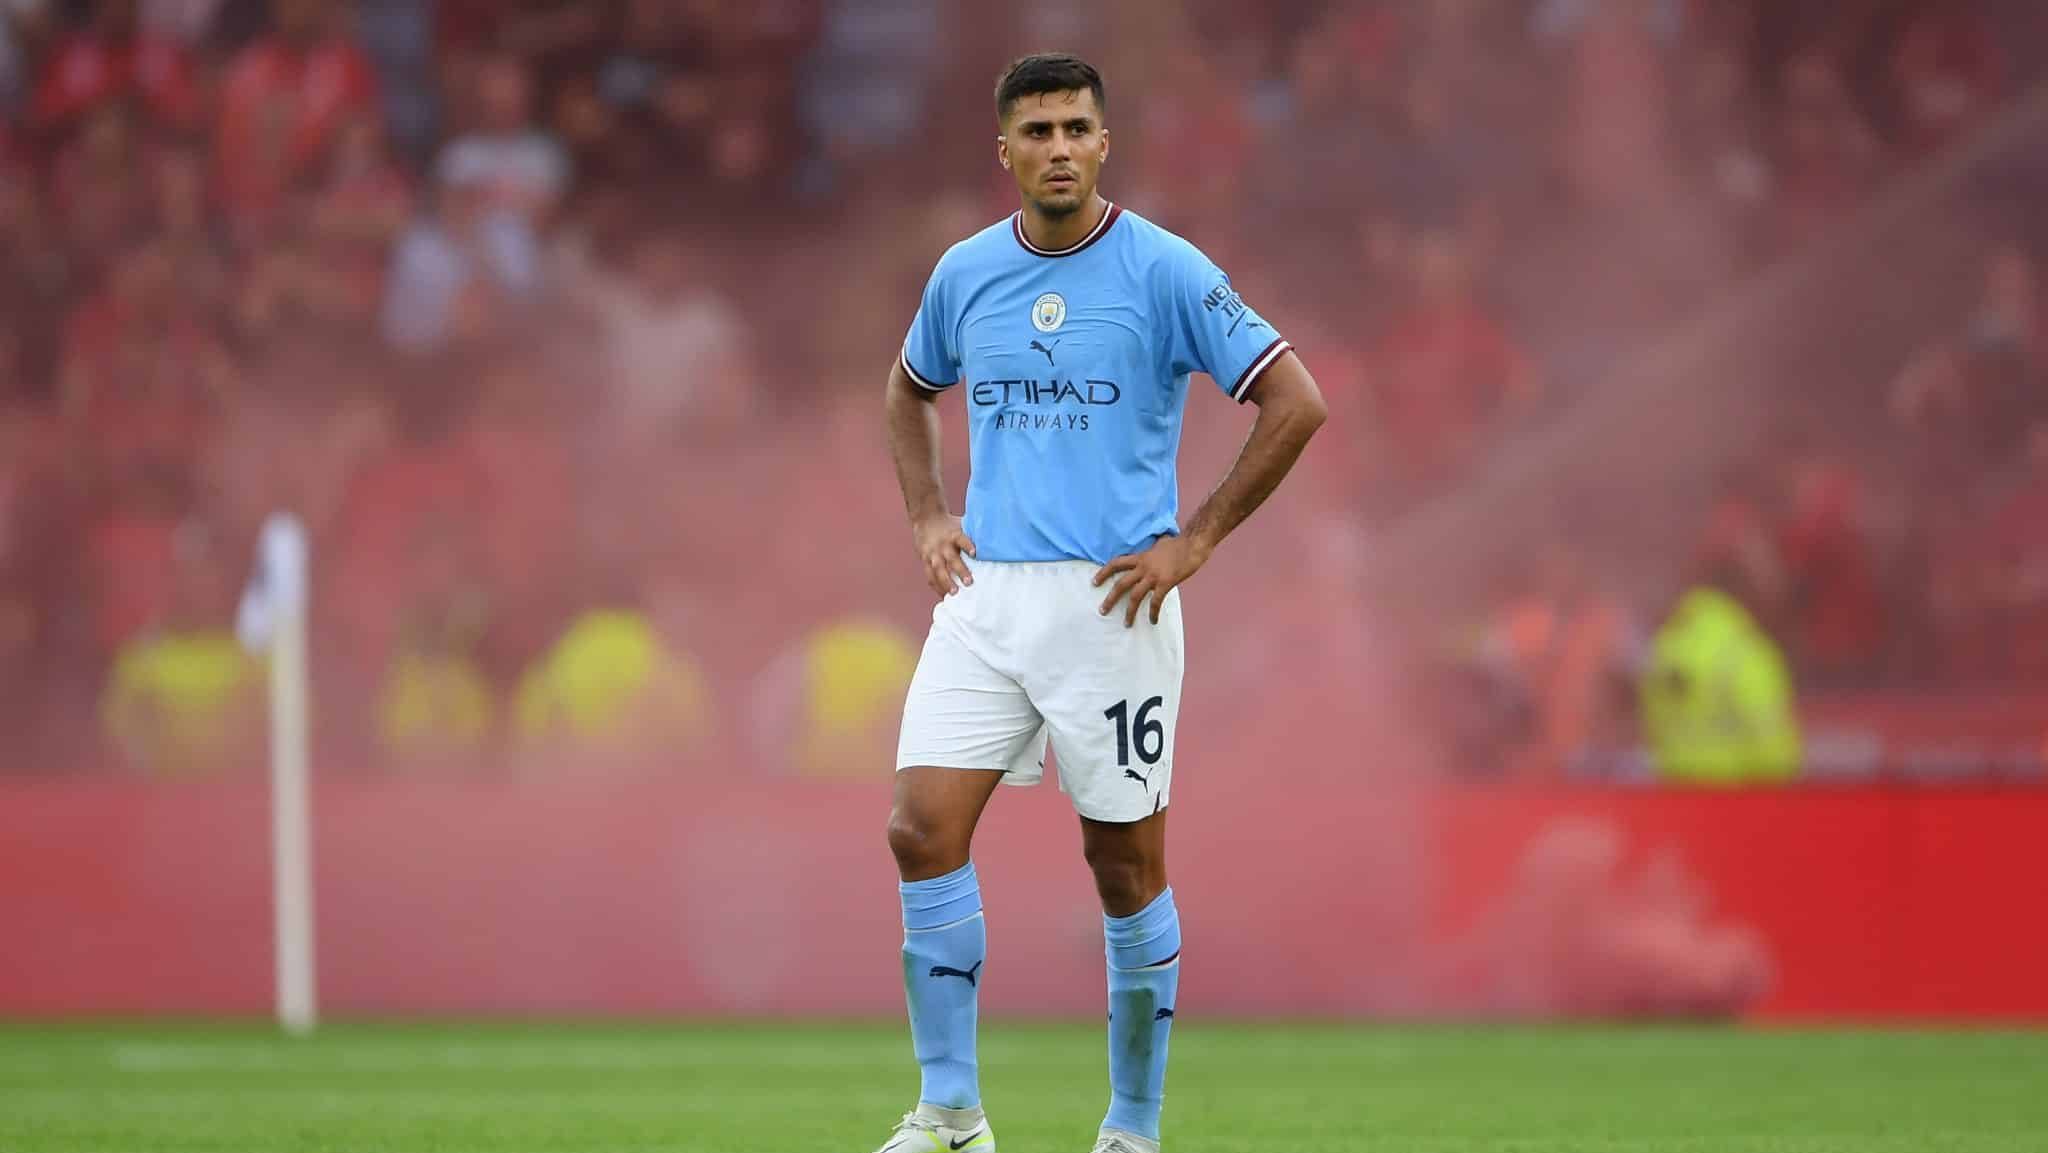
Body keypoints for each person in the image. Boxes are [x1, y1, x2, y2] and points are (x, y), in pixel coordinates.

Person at [875, 54, 1327, 1153]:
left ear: (1105, 142)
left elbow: (1294, 399)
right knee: (916, 828)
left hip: (1113, 605)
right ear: (1005, 152)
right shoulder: (965, 273)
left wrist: (1197, 538)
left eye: (1077, 127)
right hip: (987, 600)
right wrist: (929, 514)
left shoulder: (1165, 270)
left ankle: (1130, 1127)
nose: (1059, 148)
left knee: (1122, 867)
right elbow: (904, 387)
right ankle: (950, 1112)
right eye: (1037, 132)